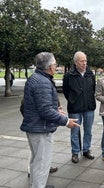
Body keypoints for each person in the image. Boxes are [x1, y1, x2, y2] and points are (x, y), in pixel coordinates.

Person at [20, 52, 80, 188]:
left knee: (37, 161)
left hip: (36, 127)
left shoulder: (37, 78)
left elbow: (40, 105)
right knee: (42, 163)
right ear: (49, 67)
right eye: (54, 64)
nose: (55, 66)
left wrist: (55, 109)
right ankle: (38, 185)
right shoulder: (42, 82)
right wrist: (66, 121)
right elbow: (45, 111)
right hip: (40, 129)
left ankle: (36, 185)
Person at [62, 51, 96, 164]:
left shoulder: (90, 74)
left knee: (88, 131)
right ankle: (75, 152)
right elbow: (66, 91)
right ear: (76, 62)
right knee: (75, 131)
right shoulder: (69, 75)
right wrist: (72, 100)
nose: (84, 63)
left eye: (85, 60)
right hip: (75, 108)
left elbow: (93, 89)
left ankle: (86, 150)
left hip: (89, 107)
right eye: (82, 61)